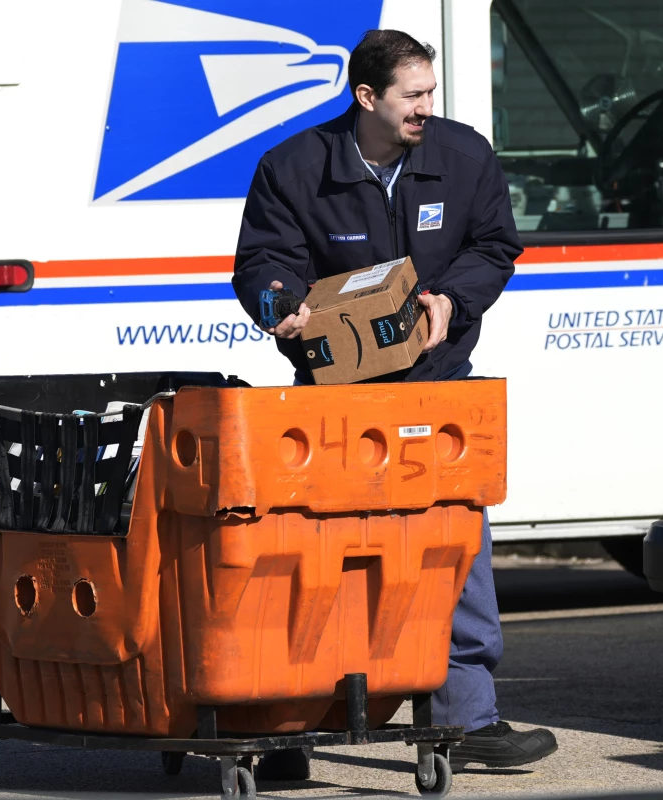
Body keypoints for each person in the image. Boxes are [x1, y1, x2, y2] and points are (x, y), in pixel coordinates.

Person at [231, 29, 558, 777]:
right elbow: (263, 262)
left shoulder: (463, 154)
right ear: (367, 97)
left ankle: (469, 720)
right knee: (325, 561)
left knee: (454, 548)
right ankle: (297, 727)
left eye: (430, 93)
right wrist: (277, 302)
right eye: (412, 96)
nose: (425, 108)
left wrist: (454, 297)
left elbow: (495, 245)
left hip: (438, 389)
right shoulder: (294, 168)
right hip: (336, 402)